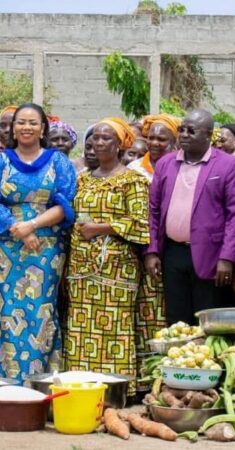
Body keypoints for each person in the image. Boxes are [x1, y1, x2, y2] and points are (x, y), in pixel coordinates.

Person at [0, 103, 75, 382]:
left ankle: (40, 382)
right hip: (7, 249)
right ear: (13, 127)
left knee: (42, 311)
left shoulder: (59, 162)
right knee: (6, 312)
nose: (27, 127)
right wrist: (17, 228)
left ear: (43, 128)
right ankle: (5, 382)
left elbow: (66, 205)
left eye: (33, 122)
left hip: (45, 249)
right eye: (21, 122)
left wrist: (32, 225)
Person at [64, 117, 148, 392]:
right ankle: (80, 389)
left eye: (105, 138)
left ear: (120, 144)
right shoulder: (83, 179)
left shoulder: (132, 180)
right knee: (80, 326)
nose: (97, 142)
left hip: (116, 268)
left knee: (115, 328)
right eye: (95, 137)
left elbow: (141, 223)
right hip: (82, 268)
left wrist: (101, 228)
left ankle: (115, 391)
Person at [145, 109, 235, 325]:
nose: (183, 135)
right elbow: (153, 210)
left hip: (211, 255)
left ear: (208, 134)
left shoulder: (227, 165)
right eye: (182, 129)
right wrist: (152, 250)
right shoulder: (166, 163)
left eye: (191, 131)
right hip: (172, 252)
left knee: (208, 320)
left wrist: (227, 258)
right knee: (177, 319)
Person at [128, 113, 180, 354]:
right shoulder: (134, 169)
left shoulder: (182, 166)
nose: (156, 143)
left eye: (163, 138)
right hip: (138, 248)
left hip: (170, 247)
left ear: (175, 141)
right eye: (152, 138)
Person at [128, 114, 180, 182]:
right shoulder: (134, 168)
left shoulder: (181, 169)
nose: (154, 143)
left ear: (173, 143)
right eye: (151, 138)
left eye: (161, 139)